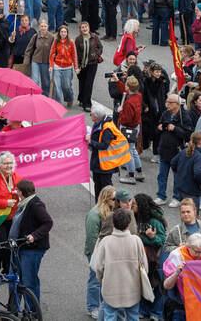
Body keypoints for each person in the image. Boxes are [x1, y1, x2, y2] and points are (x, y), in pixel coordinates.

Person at [89, 209, 149, 321]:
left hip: (110, 288)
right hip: (132, 288)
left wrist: (102, 280)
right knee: (133, 316)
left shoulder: (106, 242)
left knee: (110, 316)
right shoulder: (136, 241)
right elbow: (144, 266)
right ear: (128, 223)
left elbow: (98, 267)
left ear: (113, 222)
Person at [8, 179, 53, 301]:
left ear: (21, 192)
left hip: (32, 249)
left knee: (29, 281)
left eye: (17, 190)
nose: (16, 192)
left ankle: (33, 312)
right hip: (18, 247)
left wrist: (34, 236)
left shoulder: (35, 205)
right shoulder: (23, 204)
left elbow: (48, 222)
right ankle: (13, 310)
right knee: (13, 279)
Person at [162, 233, 201, 321]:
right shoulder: (177, 256)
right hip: (179, 305)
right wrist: (177, 272)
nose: (200, 255)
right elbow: (166, 286)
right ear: (188, 247)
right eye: (197, 252)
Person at [84, 186, 117, 318]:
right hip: (96, 252)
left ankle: (105, 305)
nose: (116, 201)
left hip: (110, 252)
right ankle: (92, 307)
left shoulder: (113, 211)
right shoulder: (94, 214)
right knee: (95, 280)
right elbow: (92, 239)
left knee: (107, 280)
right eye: (114, 199)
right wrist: (98, 256)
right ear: (106, 199)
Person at [156, 94, 194, 208]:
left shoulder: (184, 116)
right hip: (164, 148)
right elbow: (158, 125)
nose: (167, 104)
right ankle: (161, 196)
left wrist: (175, 129)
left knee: (177, 176)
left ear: (177, 104)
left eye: (170, 102)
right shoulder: (166, 113)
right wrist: (159, 127)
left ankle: (176, 197)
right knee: (162, 175)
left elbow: (188, 134)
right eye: (167, 102)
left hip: (176, 150)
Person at [87, 107, 130, 199]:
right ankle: (99, 204)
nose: (90, 115)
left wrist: (91, 142)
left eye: (92, 114)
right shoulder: (99, 124)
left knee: (106, 186)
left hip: (105, 163)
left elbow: (104, 145)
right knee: (98, 183)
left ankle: (110, 204)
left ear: (97, 116)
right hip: (100, 161)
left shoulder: (107, 129)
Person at [170, 132, 201, 207]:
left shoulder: (184, 151)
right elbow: (198, 173)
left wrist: (178, 174)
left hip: (181, 187)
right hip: (192, 190)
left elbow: (173, 162)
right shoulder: (199, 157)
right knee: (192, 214)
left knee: (185, 212)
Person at [75, 20, 103, 112]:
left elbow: (100, 47)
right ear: (80, 29)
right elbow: (76, 53)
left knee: (88, 84)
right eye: (82, 27)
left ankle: (87, 104)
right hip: (82, 64)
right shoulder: (78, 39)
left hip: (92, 64)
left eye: (86, 27)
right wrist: (77, 66)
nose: (84, 29)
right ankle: (81, 99)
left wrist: (96, 54)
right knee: (82, 82)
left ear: (89, 28)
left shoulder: (94, 37)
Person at [49, 24, 77, 106]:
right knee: (57, 86)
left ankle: (69, 98)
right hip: (57, 66)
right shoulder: (56, 41)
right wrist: (51, 66)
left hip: (67, 67)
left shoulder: (71, 42)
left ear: (67, 33)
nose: (63, 33)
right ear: (59, 33)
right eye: (62, 32)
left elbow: (74, 55)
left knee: (66, 86)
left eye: (65, 32)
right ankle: (57, 103)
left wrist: (76, 68)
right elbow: (51, 54)